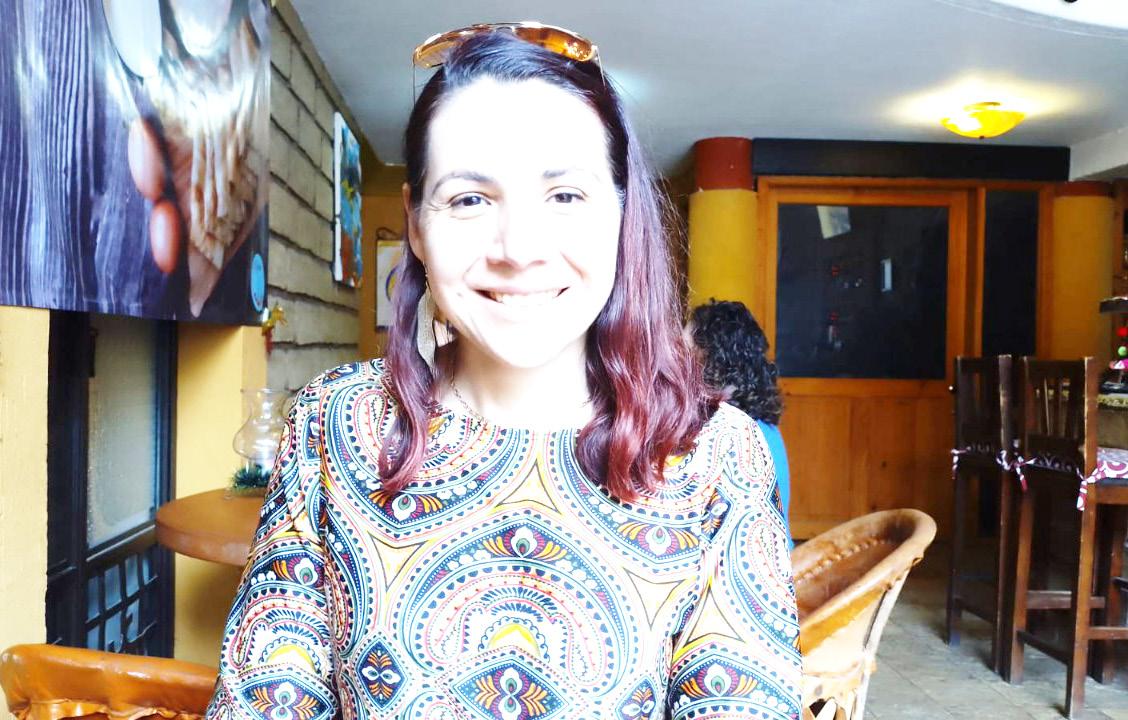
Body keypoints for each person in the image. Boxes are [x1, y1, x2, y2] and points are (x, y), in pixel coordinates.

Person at [207, 25, 800, 720]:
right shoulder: (333, 426)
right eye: (469, 199)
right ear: (417, 226)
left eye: (566, 195)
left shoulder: (715, 455)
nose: (518, 249)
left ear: (620, 213)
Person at [690, 300, 792, 546]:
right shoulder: (760, 424)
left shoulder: (731, 432)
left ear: (712, 359)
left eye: (685, 352)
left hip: (748, 562)